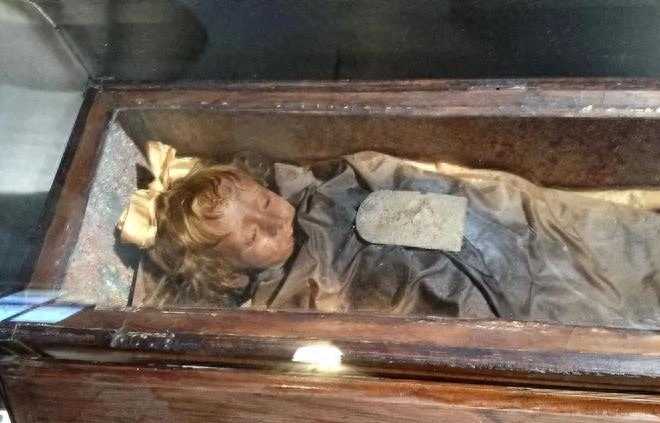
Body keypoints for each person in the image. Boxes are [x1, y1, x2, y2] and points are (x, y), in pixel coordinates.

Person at [118, 142, 660, 328]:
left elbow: (401, 180)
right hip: (462, 305)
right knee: (588, 323)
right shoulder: (281, 300)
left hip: (501, 244)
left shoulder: (324, 190)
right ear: (227, 270)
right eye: (252, 238)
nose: (275, 221)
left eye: (263, 203)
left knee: (605, 252)